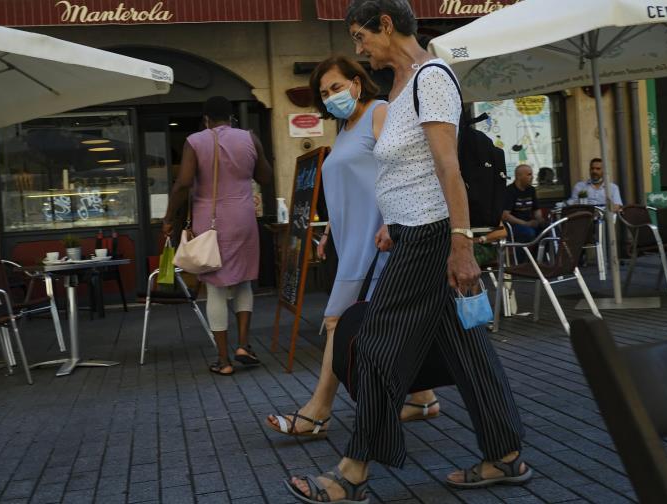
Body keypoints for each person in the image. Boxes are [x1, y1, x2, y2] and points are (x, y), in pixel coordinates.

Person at [285, 1, 530, 502]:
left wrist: (459, 244)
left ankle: (353, 472)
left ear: (387, 26)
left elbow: (447, 167)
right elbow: (409, 170)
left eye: (360, 36)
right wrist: (392, 226)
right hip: (413, 232)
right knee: (470, 351)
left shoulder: (431, 77)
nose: (359, 48)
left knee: (374, 346)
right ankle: (504, 455)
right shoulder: (399, 89)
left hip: (433, 237)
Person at [266, 56, 440, 437]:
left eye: (336, 87)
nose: (331, 96)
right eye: (324, 92)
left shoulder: (380, 113)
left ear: (357, 83)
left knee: (337, 322)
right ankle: (422, 398)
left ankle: (317, 412)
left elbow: (403, 169)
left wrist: (394, 223)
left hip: (379, 240)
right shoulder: (345, 129)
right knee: (376, 322)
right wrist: (329, 230)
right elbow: (348, 187)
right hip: (351, 240)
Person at [162, 96, 272, 376]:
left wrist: (168, 217)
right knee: (245, 280)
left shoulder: (195, 141)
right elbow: (266, 177)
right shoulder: (249, 138)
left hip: (211, 223)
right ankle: (244, 345)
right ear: (232, 118)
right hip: (244, 218)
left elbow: (184, 183)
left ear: (206, 120)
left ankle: (223, 360)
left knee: (216, 287)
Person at [502, 164, 544, 245]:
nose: (532, 177)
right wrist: (525, 224)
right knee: (529, 233)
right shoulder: (509, 191)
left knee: (547, 231)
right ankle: (521, 257)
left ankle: (538, 257)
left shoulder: (531, 190)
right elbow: (505, 216)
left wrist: (540, 219)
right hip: (514, 226)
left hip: (529, 223)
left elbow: (536, 209)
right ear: (519, 176)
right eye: (529, 174)